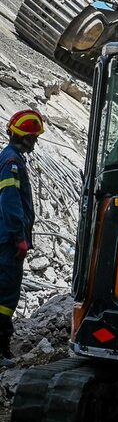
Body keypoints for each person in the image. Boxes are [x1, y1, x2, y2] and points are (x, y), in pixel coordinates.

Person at [0, 110, 41, 367]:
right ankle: (1, 349)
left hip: (6, 238)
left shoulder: (10, 159)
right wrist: (19, 237)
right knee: (5, 296)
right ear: (26, 137)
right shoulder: (11, 162)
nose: (35, 142)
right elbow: (11, 202)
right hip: (7, 241)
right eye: (34, 137)